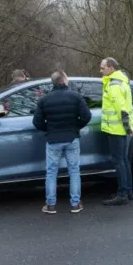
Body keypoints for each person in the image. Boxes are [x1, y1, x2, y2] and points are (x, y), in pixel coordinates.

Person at [32, 70, 91, 214]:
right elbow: (87, 116)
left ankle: (50, 205)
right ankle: (75, 204)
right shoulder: (76, 97)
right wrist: (75, 127)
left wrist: (49, 129)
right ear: (64, 81)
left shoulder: (44, 100)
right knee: (74, 171)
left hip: (53, 140)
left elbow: (37, 122)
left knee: (51, 172)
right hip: (72, 138)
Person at [100, 57, 133, 206]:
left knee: (119, 161)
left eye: (102, 68)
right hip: (121, 129)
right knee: (124, 160)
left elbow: (122, 109)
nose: (100, 71)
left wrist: (128, 128)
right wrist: (130, 127)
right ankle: (128, 191)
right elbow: (127, 107)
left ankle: (122, 194)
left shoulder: (114, 85)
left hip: (116, 130)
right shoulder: (122, 81)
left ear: (111, 68)